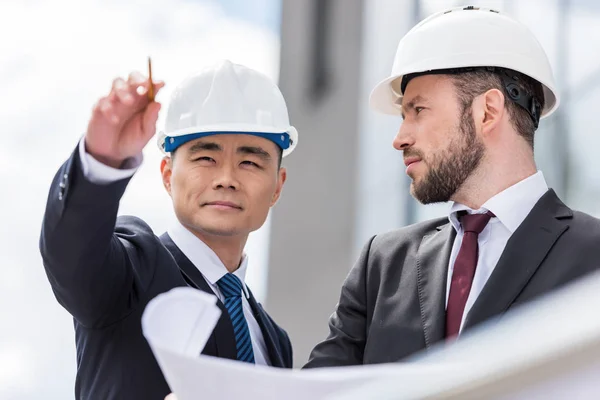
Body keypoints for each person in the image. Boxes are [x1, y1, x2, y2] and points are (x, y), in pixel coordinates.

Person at [304, 5, 600, 367]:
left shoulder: (592, 256)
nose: (399, 138)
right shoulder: (382, 265)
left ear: (487, 112)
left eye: (418, 110)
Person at [39, 60, 296, 399]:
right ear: (167, 174)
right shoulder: (132, 272)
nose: (226, 180)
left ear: (277, 186)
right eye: (206, 158)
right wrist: (100, 163)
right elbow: (73, 253)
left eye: (250, 162)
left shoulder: (274, 341)